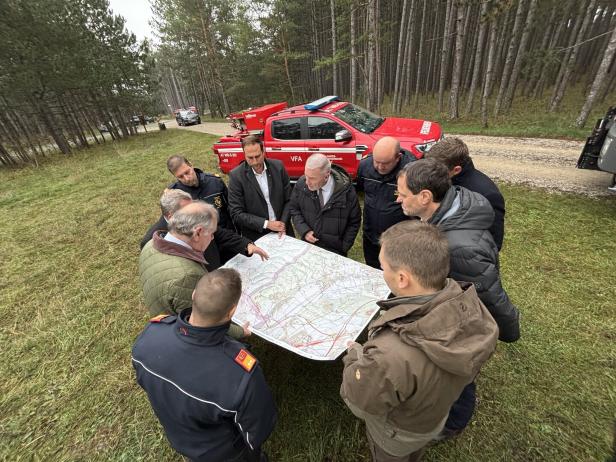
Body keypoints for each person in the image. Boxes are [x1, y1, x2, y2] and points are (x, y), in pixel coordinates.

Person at [340, 221, 498, 462]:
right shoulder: (470, 306)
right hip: (432, 418)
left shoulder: (389, 354)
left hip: (395, 436)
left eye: (383, 266)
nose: (382, 271)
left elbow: (360, 403)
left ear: (402, 278)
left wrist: (355, 356)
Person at [396, 158, 520, 437]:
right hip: (446, 310)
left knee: (459, 374)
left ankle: (452, 424)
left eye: (403, 195)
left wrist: (509, 327)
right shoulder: (448, 212)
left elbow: (488, 293)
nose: (398, 200)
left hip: (459, 326)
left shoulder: (459, 247)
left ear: (425, 196)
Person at [132, 269, 277, 462]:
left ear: (193, 295)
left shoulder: (150, 335)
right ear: (232, 311)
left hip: (181, 439)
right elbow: (258, 429)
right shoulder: (241, 375)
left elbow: (146, 383)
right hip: (226, 453)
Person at [139, 201, 249, 339]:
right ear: (198, 233)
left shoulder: (150, 244)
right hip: (180, 336)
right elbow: (205, 322)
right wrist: (240, 332)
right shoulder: (188, 276)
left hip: (162, 317)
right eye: (212, 233)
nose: (212, 237)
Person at [140, 189, 268, 271]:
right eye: (187, 211)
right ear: (170, 216)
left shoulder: (195, 220)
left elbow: (220, 233)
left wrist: (246, 245)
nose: (195, 212)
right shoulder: (151, 240)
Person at [425, 137, 506, 250]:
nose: (431, 173)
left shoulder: (487, 194)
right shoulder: (443, 179)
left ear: (456, 170)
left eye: (437, 170)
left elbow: (493, 242)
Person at [356, 136, 415, 268]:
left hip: (399, 239)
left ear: (398, 157)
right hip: (371, 234)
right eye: (376, 161)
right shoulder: (365, 166)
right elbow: (361, 190)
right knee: (372, 268)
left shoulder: (411, 173)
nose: (380, 167)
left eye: (386, 163)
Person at [289, 154, 361, 256]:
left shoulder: (347, 193)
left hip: (335, 252)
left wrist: (344, 246)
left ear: (326, 175)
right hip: (309, 247)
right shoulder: (301, 185)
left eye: (312, 178)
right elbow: (294, 209)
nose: (307, 182)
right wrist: (304, 231)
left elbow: (354, 221)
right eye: (306, 176)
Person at [228, 135, 293, 242]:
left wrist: (283, 223)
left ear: (264, 151)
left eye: (258, 156)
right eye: (250, 158)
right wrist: (267, 224)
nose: (255, 162)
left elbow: (289, 199)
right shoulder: (236, 176)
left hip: (283, 230)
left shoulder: (278, 167)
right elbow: (236, 213)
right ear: (244, 155)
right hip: (257, 235)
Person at [167, 155, 235, 231]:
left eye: (187, 172)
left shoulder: (215, 182)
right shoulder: (176, 194)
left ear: (190, 165)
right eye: (180, 177)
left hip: (227, 232)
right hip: (200, 238)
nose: (186, 178)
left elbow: (231, 208)